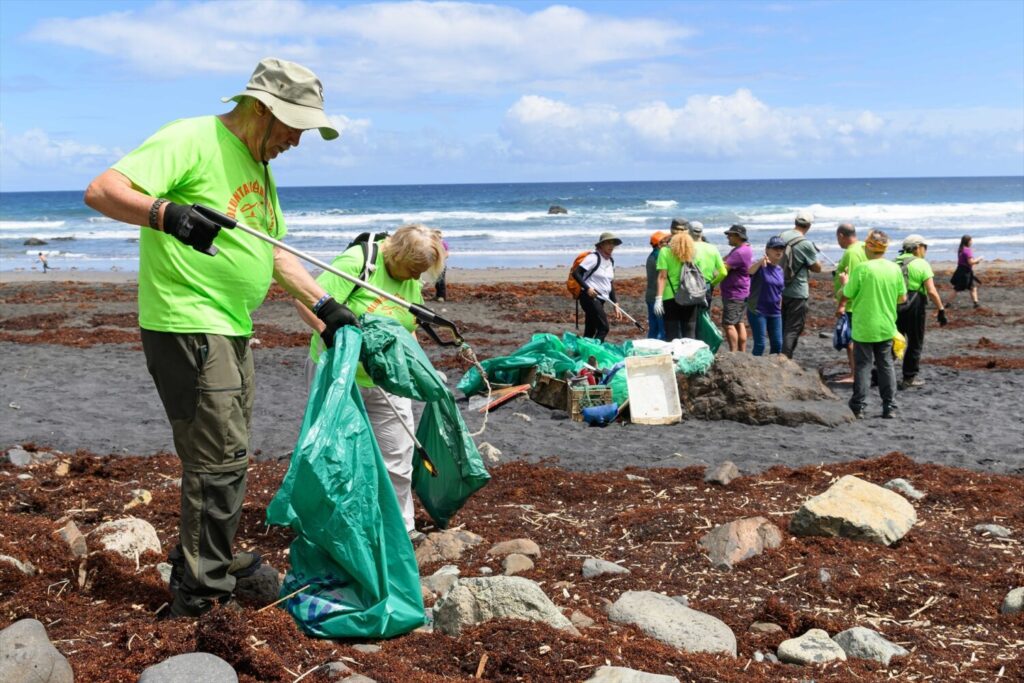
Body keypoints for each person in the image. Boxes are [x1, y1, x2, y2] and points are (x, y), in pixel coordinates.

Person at [83, 57, 355, 619]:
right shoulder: (193, 138)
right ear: (261, 108)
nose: (297, 141)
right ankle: (201, 595)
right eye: (294, 127)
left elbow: (274, 253)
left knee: (225, 455)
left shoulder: (259, 166)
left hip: (231, 327)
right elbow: (103, 190)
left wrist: (326, 307)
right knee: (218, 462)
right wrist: (169, 216)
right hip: (188, 322)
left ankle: (206, 562)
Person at [296, 225, 446, 542]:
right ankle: (336, 529)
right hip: (338, 374)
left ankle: (400, 528)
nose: (415, 277)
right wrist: (329, 334)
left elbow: (407, 326)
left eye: (421, 272)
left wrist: (416, 366)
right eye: (412, 268)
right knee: (336, 452)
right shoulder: (359, 262)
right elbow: (306, 300)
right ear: (397, 253)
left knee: (398, 453)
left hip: (386, 379)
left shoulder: (412, 278)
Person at [840, 231, 906, 419]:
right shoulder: (894, 268)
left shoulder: (862, 269)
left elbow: (848, 293)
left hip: (864, 326)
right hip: (886, 324)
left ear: (869, 247)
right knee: (886, 365)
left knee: (863, 366)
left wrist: (845, 282)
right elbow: (902, 298)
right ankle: (889, 406)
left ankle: (858, 406)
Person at [895, 234, 948, 390]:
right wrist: (941, 309)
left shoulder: (894, 263)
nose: (925, 250)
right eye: (925, 247)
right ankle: (909, 377)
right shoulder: (922, 264)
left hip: (894, 305)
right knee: (915, 342)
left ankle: (879, 375)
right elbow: (931, 291)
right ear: (917, 247)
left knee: (893, 340)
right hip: (915, 305)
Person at [779, 210, 823, 359]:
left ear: (795, 222)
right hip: (798, 291)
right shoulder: (805, 244)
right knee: (793, 328)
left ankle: (779, 355)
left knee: (782, 325)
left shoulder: (781, 236)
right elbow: (817, 268)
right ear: (809, 226)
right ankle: (785, 358)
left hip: (779, 288)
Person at [573, 232, 623, 341]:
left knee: (590, 330)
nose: (611, 246)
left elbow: (609, 283)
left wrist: (615, 303)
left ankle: (584, 349)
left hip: (601, 299)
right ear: (601, 245)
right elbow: (576, 273)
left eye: (613, 243)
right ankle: (595, 350)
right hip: (589, 297)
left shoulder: (610, 260)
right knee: (604, 328)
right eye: (608, 243)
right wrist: (588, 289)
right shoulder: (593, 258)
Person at [833, 223, 867, 382]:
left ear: (841, 236)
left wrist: (842, 304)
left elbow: (852, 281)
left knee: (850, 339)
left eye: (837, 238)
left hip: (852, 303)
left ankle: (854, 374)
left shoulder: (851, 252)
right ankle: (855, 372)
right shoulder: (863, 247)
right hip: (862, 300)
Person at [654, 228, 700, 340]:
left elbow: (662, 276)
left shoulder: (665, 252)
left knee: (672, 333)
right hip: (690, 295)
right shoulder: (694, 253)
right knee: (689, 331)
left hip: (670, 297)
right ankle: (689, 351)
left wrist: (658, 298)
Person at [746, 236, 786, 356]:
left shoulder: (780, 270)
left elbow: (780, 290)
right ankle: (754, 366)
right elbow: (749, 271)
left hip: (775, 311)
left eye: (781, 248)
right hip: (758, 311)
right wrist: (760, 262)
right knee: (760, 345)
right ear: (767, 250)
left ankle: (773, 366)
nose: (779, 251)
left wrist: (780, 304)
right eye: (775, 248)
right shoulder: (760, 266)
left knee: (778, 344)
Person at [720, 224, 753, 352]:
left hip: (734, 293)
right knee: (739, 322)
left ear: (738, 236)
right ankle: (742, 351)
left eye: (730, 235)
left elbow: (724, 268)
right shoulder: (743, 248)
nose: (728, 237)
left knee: (728, 324)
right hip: (741, 291)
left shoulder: (739, 252)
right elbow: (724, 260)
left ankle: (734, 352)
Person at [687, 221, 728, 307]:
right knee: (705, 313)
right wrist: (712, 283)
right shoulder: (713, 248)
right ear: (701, 233)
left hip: (690, 288)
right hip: (707, 287)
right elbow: (723, 272)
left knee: (690, 315)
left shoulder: (687, 248)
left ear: (688, 232)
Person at [645, 231, 670, 340]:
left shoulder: (652, 256)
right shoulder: (659, 256)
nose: (668, 244)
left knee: (653, 328)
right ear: (659, 244)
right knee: (662, 329)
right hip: (658, 296)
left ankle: (649, 347)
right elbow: (664, 276)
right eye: (666, 242)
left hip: (650, 296)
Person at [948, 234, 983, 308]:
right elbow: (970, 262)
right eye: (971, 240)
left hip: (961, 270)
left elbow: (966, 261)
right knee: (957, 289)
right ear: (968, 241)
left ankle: (976, 303)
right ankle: (948, 303)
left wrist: (975, 261)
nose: (972, 242)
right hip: (965, 272)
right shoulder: (967, 250)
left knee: (973, 287)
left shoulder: (961, 249)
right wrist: (979, 259)